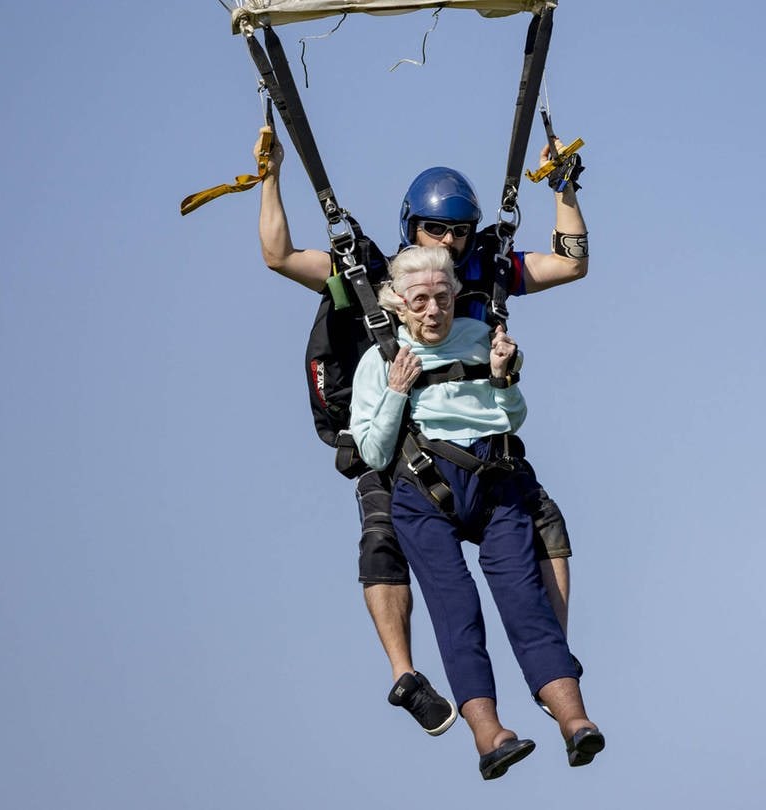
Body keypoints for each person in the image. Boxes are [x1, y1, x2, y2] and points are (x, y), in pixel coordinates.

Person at [256, 128, 590, 733]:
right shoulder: (375, 275)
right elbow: (280, 256)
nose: (450, 242)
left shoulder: (482, 275)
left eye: (460, 231)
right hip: (395, 439)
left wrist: (564, 189)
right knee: (382, 537)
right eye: (437, 230)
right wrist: (271, 177)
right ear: (412, 227)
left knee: (546, 521)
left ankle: (550, 659)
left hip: (476, 441)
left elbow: (570, 263)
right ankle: (405, 675)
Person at [349, 246, 604, 779]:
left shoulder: (482, 339)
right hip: (424, 493)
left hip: (493, 483)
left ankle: (575, 721)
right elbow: (372, 455)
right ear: (398, 303)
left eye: (442, 298)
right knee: (456, 609)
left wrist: (503, 377)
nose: (433, 311)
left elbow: (512, 416)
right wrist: (396, 391)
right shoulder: (378, 361)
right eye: (420, 301)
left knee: (525, 601)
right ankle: (490, 737)